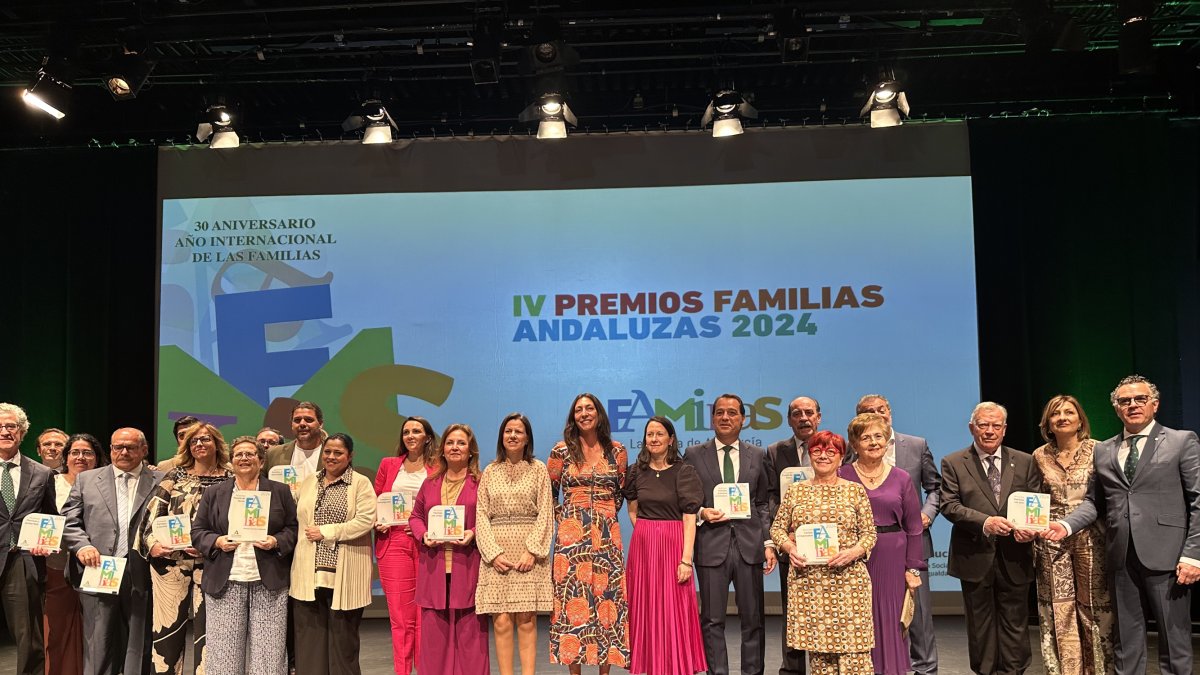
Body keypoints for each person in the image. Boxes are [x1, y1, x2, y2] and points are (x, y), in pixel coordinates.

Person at [1048, 375, 1200, 675]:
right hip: (1121, 557)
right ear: (1116, 409)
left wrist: (1193, 554)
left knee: (1175, 640)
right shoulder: (1103, 450)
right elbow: (1094, 503)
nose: (1132, 405)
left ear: (1154, 405)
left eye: (1139, 399)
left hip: (1169, 558)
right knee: (1126, 644)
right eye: (1124, 401)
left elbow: (1198, 499)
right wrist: (1065, 526)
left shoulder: (1182, 441)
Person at [940, 402, 1043, 675]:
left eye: (996, 425)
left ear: (1005, 429)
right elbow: (949, 505)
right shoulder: (953, 462)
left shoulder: (1025, 461)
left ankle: (1014, 671)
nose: (989, 431)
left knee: (1016, 622)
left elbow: (1034, 503)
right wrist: (985, 522)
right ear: (972, 427)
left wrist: (1028, 529)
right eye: (983, 425)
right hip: (974, 556)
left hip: (1015, 555)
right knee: (980, 624)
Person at [770, 430, 876, 675]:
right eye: (817, 451)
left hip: (848, 582)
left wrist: (853, 552)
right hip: (809, 584)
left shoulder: (855, 491)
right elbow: (777, 529)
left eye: (831, 451)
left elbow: (870, 534)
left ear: (841, 457)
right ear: (810, 456)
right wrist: (790, 548)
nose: (823, 456)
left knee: (855, 653)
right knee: (820, 657)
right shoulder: (796, 491)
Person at [683, 393, 775, 675]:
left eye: (732, 413)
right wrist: (701, 513)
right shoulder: (694, 455)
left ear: (743, 420)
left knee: (753, 619)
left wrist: (768, 542)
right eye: (720, 412)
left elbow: (762, 503)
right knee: (712, 619)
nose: (725, 417)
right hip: (711, 545)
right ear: (712, 419)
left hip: (749, 546)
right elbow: (687, 501)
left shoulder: (757, 455)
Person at [191, 435, 298, 675]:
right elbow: (198, 531)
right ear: (231, 462)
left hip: (269, 581)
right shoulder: (214, 493)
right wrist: (217, 541)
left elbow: (292, 529)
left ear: (261, 461)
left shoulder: (279, 491)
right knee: (224, 653)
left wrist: (275, 541)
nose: (244, 458)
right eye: (238, 454)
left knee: (269, 654)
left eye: (250, 454)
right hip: (225, 581)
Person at [850, 394, 942, 675]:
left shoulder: (915, 447)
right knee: (864, 619)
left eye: (881, 411)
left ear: (889, 413)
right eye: (869, 413)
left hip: (904, 548)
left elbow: (934, 488)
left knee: (915, 618)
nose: (874, 440)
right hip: (859, 554)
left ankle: (924, 671)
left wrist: (926, 513)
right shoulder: (846, 467)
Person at [61, 427, 164, 675]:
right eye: (118, 447)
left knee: (138, 640)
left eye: (130, 447)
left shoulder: (161, 480)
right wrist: (82, 546)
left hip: (143, 569)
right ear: (110, 449)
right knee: (99, 640)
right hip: (98, 568)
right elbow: (69, 520)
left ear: (144, 450)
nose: (124, 452)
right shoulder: (87, 479)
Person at [136, 422, 234, 675]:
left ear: (217, 444)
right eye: (194, 441)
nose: (199, 444)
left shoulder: (232, 478)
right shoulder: (173, 476)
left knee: (210, 636)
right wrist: (153, 546)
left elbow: (240, 523)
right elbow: (150, 517)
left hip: (214, 563)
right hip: (170, 565)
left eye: (205, 439)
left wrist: (212, 544)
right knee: (166, 634)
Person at [1029, 395, 1114, 675]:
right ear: (1048, 424)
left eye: (1069, 412)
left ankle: (1099, 671)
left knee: (1094, 609)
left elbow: (1104, 499)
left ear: (1080, 421)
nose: (1062, 417)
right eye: (1055, 414)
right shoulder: (1039, 456)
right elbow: (1035, 500)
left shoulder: (1099, 450)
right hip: (1051, 544)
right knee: (1059, 611)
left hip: (1092, 541)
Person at [547, 393, 630, 673]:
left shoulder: (616, 451)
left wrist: (603, 516)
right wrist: (569, 520)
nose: (584, 413)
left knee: (606, 601)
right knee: (575, 601)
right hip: (571, 538)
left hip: (607, 536)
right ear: (573, 417)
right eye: (579, 410)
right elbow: (550, 493)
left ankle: (605, 672)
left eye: (589, 408)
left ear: (599, 414)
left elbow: (620, 493)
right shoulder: (561, 451)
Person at [839, 413, 925, 675]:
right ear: (854, 445)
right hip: (853, 559)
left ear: (888, 441)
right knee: (856, 620)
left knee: (889, 621)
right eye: (866, 437)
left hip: (892, 557)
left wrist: (913, 569)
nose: (873, 442)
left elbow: (913, 527)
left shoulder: (901, 478)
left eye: (879, 436)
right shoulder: (841, 475)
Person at [623, 416, 706, 675]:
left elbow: (690, 517)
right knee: (645, 609)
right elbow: (633, 511)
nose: (654, 439)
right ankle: (648, 665)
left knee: (674, 611)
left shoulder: (684, 471)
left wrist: (685, 559)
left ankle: (675, 666)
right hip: (644, 548)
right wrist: (649, 535)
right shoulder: (637, 471)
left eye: (660, 434)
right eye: (650, 434)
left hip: (674, 545)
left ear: (671, 439)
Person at [289, 432, 376, 675]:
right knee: (309, 643)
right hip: (309, 575)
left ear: (350, 456)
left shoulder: (360, 483)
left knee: (343, 645)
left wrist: (326, 531)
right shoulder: (309, 482)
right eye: (327, 452)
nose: (331, 456)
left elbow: (366, 520)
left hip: (345, 576)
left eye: (338, 452)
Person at [475, 414, 553, 675]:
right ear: (501, 436)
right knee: (501, 621)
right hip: (497, 550)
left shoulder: (538, 468)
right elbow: (481, 515)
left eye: (518, 431)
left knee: (527, 620)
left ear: (527, 437)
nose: (512, 435)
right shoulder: (490, 471)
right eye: (508, 431)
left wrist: (532, 551)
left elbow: (546, 512)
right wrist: (492, 553)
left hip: (527, 549)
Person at [411, 424, 490, 675]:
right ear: (442, 449)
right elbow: (415, 517)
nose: (455, 447)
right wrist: (423, 535)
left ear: (471, 451)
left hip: (467, 565)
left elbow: (490, 519)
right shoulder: (430, 482)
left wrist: (473, 533)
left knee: (471, 637)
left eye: (461, 443)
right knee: (434, 637)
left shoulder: (481, 483)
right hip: (434, 566)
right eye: (450, 443)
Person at [374, 416, 437, 675]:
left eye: (416, 431)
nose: (410, 436)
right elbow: (376, 501)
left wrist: (425, 527)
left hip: (426, 544)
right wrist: (379, 520)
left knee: (424, 615)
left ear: (427, 437)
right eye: (406, 432)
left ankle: (424, 670)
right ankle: (402, 672)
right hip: (395, 542)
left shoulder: (438, 467)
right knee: (401, 617)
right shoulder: (389, 465)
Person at [0, 403, 59, 675]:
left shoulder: (42, 473)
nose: (5, 431)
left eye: (11, 426)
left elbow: (51, 517)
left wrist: (46, 542)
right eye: (0, 426)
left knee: (29, 638)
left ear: (22, 432)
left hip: (22, 562)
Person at [44, 433, 108, 675]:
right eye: (75, 452)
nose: (81, 458)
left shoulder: (107, 484)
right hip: (57, 566)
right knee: (58, 629)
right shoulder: (50, 482)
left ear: (97, 457)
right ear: (66, 457)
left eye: (87, 453)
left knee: (98, 631)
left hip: (98, 567)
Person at [766, 395, 822, 675]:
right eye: (797, 414)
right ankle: (793, 670)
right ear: (789, 420)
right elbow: (770, 497)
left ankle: (827, 666)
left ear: (819, 417)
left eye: (809, 412)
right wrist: (787, 529)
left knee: (826, 612)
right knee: (793, 613)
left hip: (829, 545)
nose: (803, 418)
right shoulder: (775, 451)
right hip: (792, 545)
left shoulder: (833, 448)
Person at [265, 402, 328, 483]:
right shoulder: (273, 454)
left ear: (320, 424)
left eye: (308, 420)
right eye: (297, 420)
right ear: (292, 424)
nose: (302, 424)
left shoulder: (333, 454)